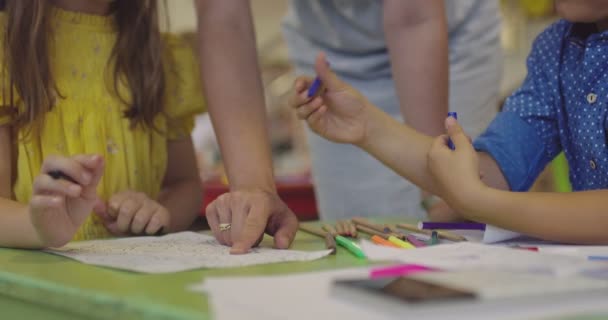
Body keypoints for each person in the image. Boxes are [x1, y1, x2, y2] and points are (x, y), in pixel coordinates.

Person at [291, 0, 608, 244]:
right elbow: (482, 173)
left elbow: (480, 193)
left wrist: (484, 203)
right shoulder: (557, 49)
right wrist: (366, 125)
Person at [0, 0, 204, 248]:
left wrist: (157, 214)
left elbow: (185, 183)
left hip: (134, 280)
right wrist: (38, 227)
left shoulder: (165, 58)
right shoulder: (6, 47)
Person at [282, 0, 502, 220]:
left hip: (444, 31)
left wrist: (440, 190)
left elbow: (413, 19)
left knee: (458, 208)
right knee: (355, 223)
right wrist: (256, 186)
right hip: (326, 38)